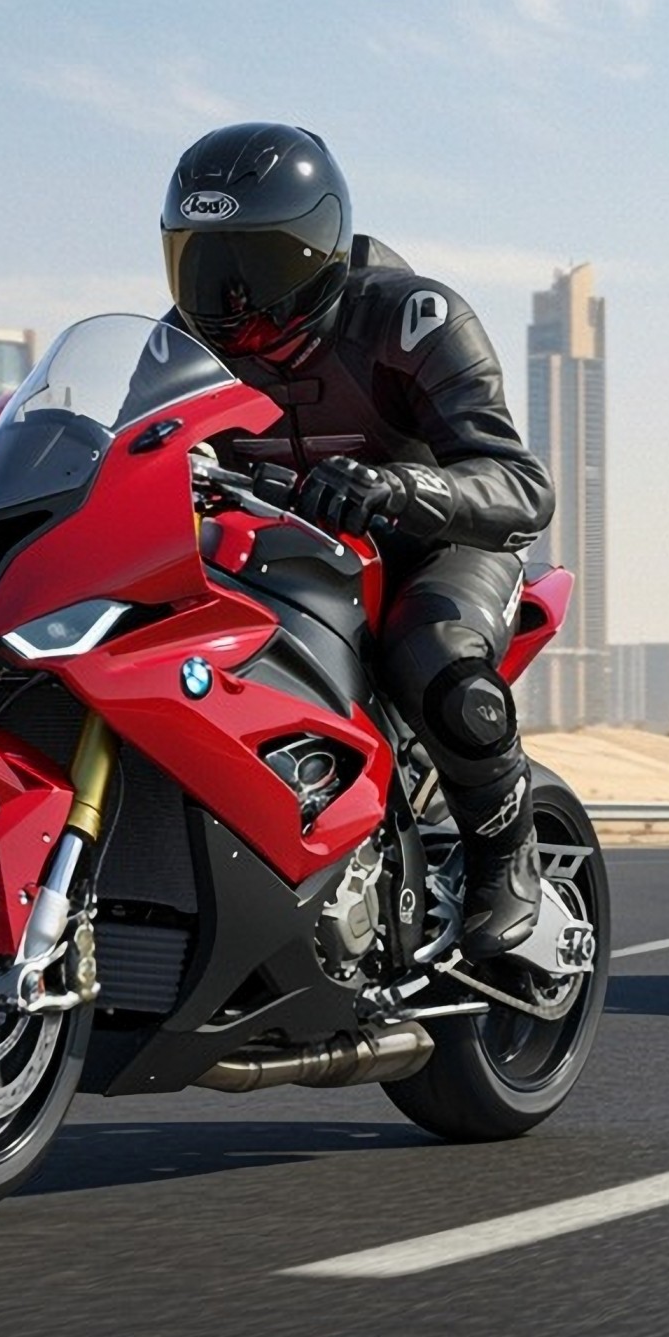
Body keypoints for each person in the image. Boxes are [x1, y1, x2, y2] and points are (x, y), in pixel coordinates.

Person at [160, 121, 553, 960]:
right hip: (279, 559)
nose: (229, 298)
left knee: (436, 657)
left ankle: (505, 860)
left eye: (254, 266)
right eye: (204, 263)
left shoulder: (411, 319)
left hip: (433, 542)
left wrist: (404, 487)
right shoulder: (176, 345)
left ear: (320, 248)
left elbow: (521, 486)